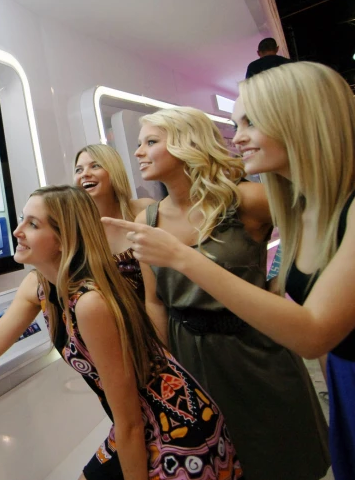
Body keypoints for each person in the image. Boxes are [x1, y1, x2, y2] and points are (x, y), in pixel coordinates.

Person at [104, 62, 354, 479]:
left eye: (249, 123)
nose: (236, 138)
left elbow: (314, 331)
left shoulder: (257, 200)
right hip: (196, 355)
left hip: (259, 352)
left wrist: (186, 258)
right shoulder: (151, 219)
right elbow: (155, 302)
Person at [0, 185, 243, 480]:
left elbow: (131, 421)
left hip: (177, 432)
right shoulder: (38, 286)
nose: (17, 231)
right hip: (138, 426)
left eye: (32, 224)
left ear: (64, 239)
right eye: (22, 219)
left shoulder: (91, 303)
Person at [74, 144, 153, 296]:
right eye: (79, 170)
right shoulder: (76, 230)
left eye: (95, 166)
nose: (85, 174)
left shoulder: (144, 209)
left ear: (113, 171)